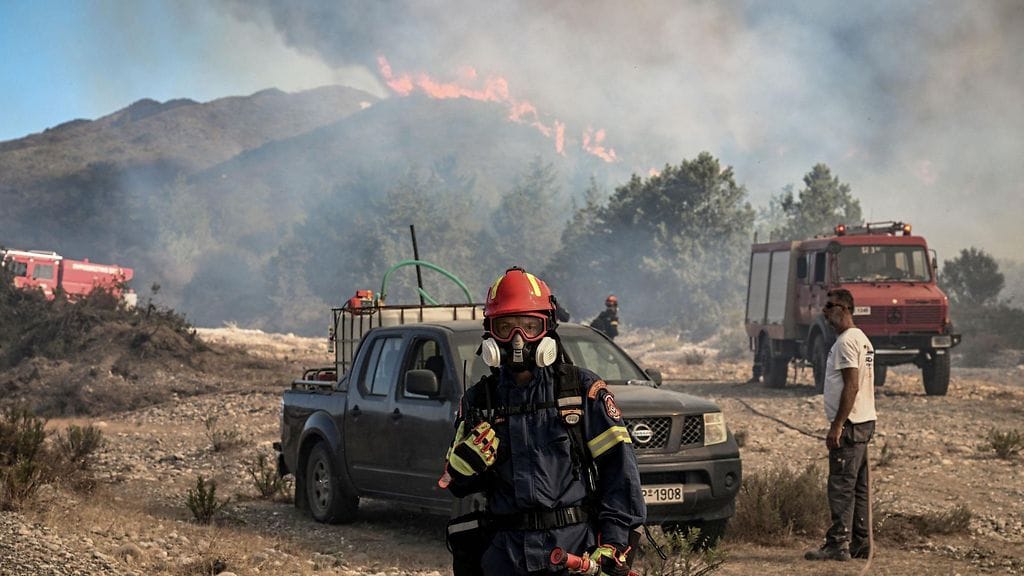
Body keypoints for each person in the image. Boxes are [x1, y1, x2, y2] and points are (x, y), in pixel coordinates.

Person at [441, 267, 646, 576]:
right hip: (505, 555)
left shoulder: (581, 392)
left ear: (548, 328)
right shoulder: (478, 402)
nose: (518, 338)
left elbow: (620, 473)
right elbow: (455, 483)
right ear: (490, 333)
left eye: (529, 325)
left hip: (573, 552)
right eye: (505, 326)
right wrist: (463, 470)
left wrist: (614, 545)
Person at [805, 288, 877, 562]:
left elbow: (852, 385)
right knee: (858, 487)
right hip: (863, 423)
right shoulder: (862, 339)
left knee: (841, 486)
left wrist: (836, 426)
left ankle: (837, 544)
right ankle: (861, 543)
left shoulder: (847, 341)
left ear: (846, 309)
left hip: (850, 425)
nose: (825, 311)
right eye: (825, 307)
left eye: (830, 306)